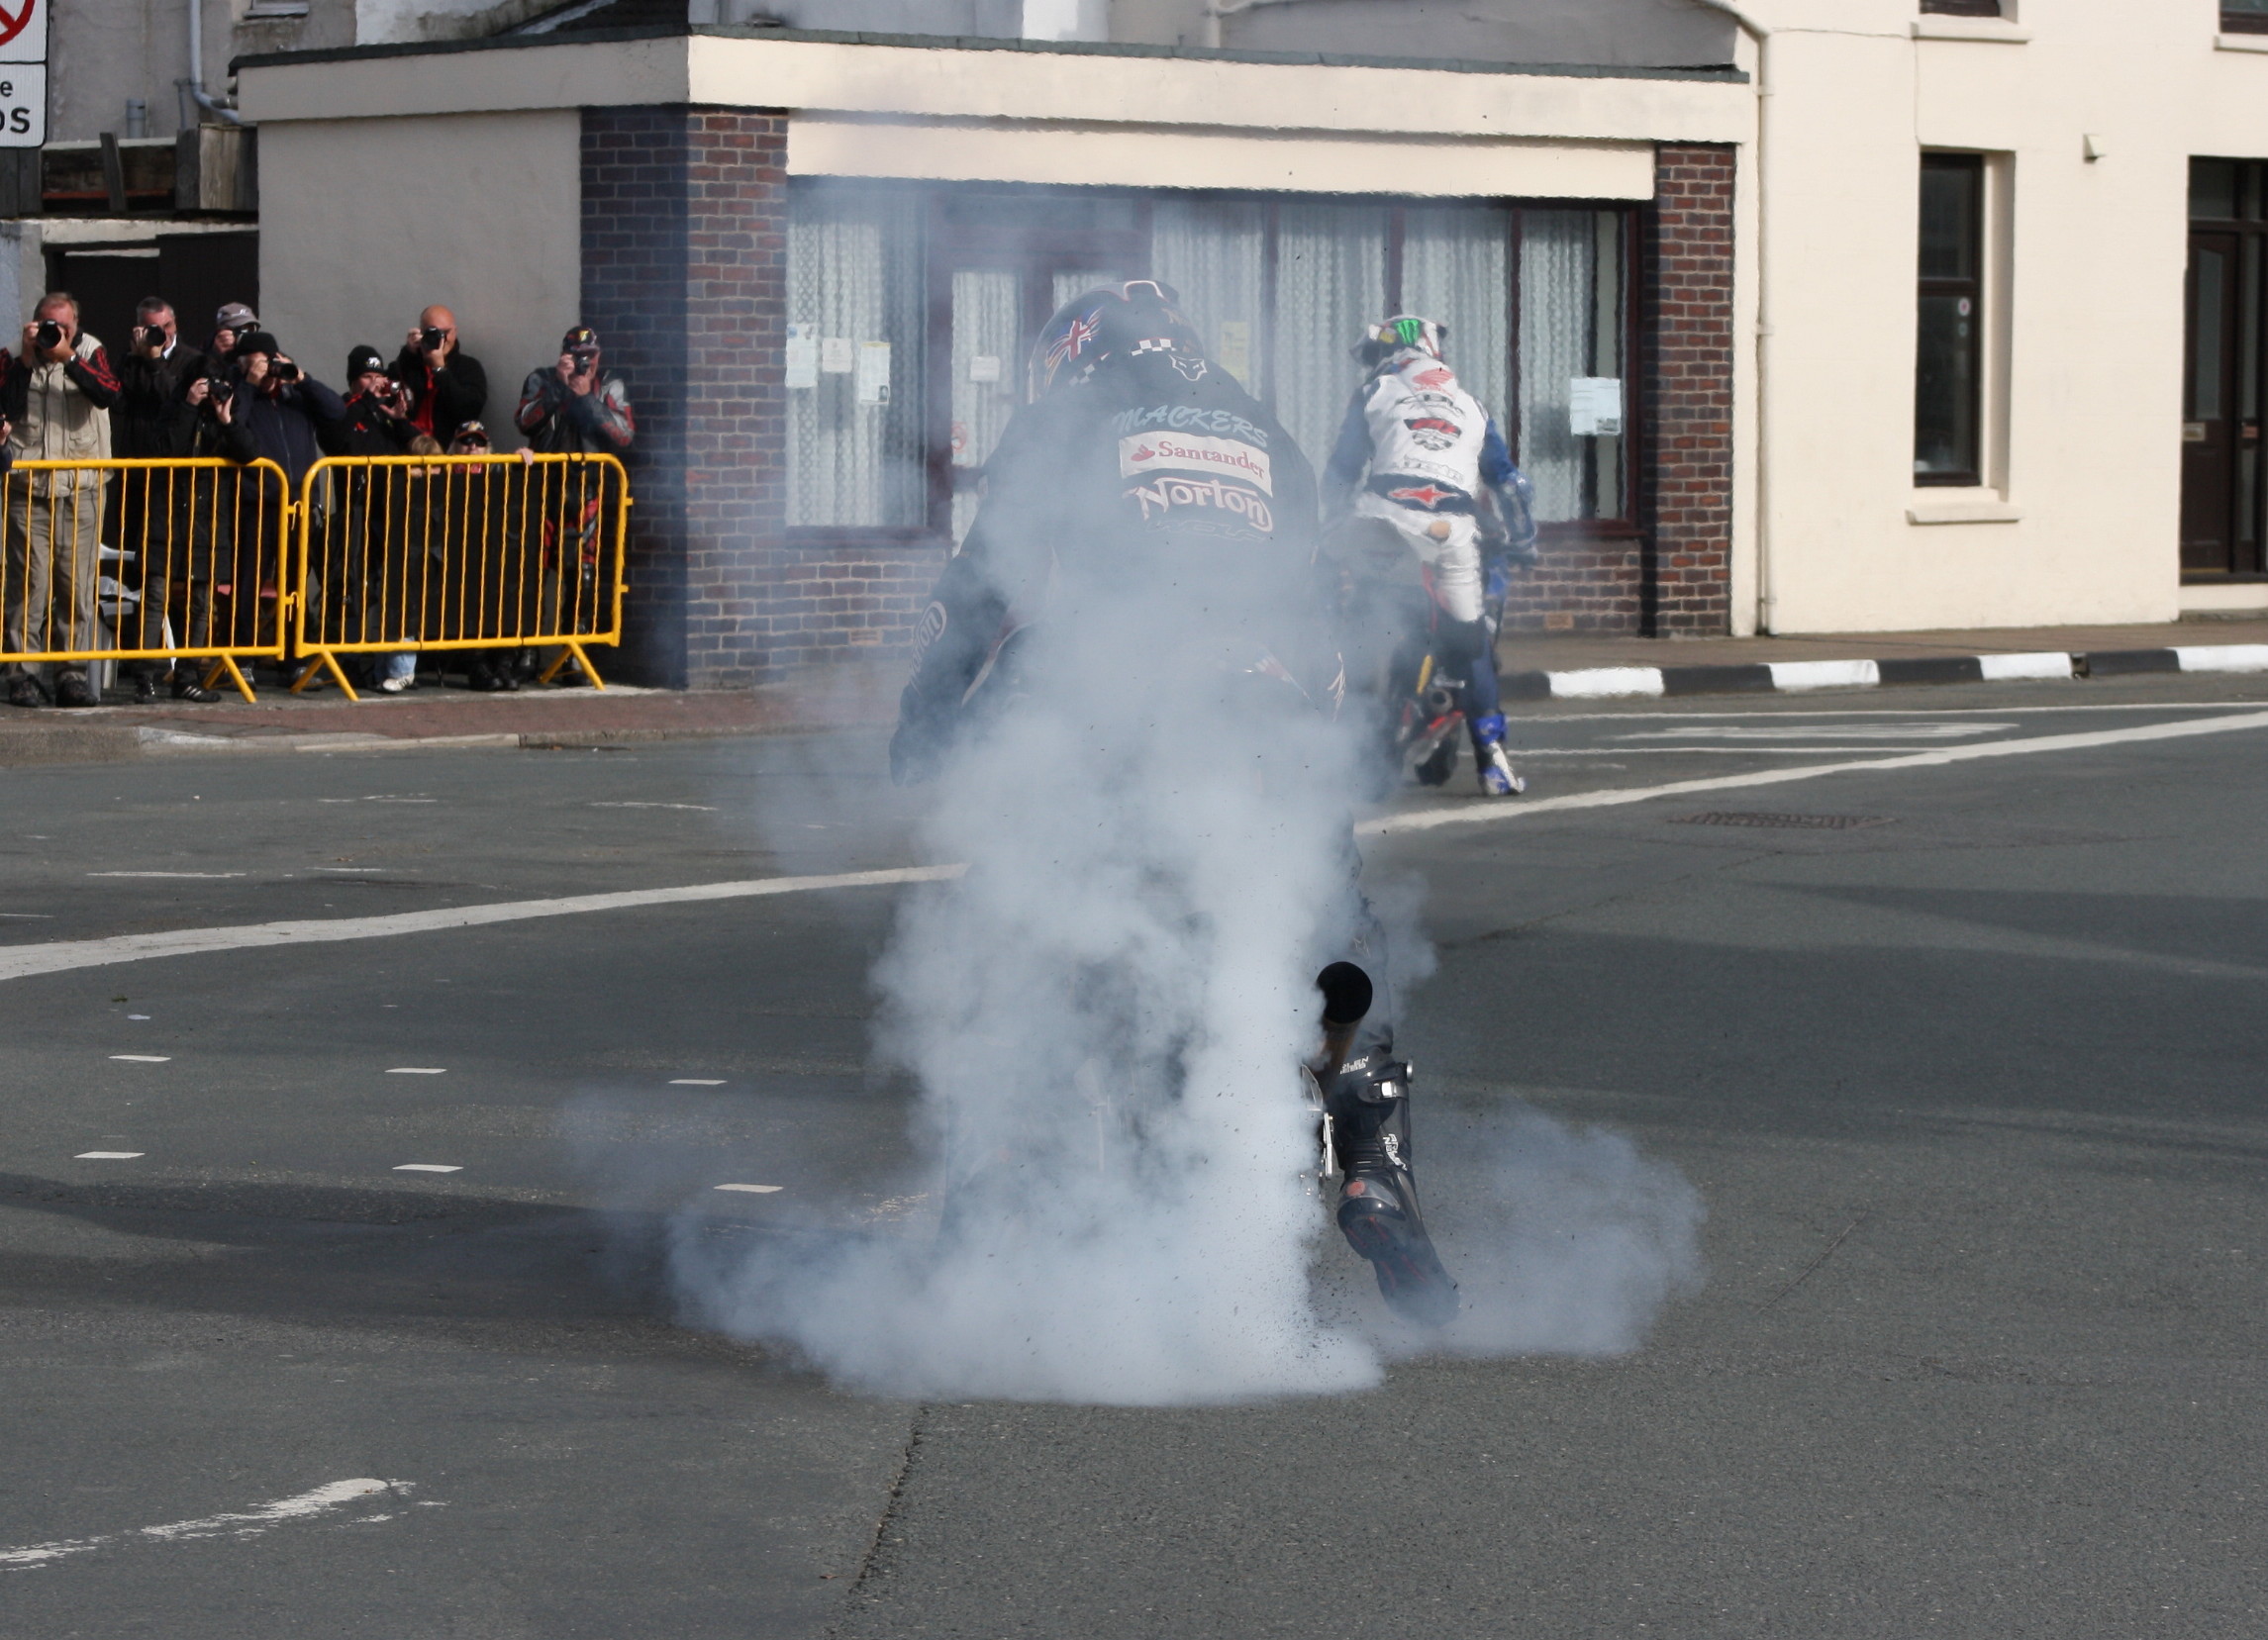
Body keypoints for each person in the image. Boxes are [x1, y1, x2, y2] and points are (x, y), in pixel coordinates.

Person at [888, 280, 1458, 1327]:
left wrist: (922, 719)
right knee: (1337, 930)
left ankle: (988, 1202)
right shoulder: (1264, 430)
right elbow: (1316, 615)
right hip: (1264, 718)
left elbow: (980, 587)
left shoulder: (1063, 417)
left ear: (1072, 353)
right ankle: (1376, 1172)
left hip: (1110, 707)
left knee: (1008, 930)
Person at [1323, 315, 1539, 798]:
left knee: (1355, 613)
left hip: (1382, 521)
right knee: (1471, 643)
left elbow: (1341, 472)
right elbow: (1512, 486)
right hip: (1450, 529)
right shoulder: (1472, 406)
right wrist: (1524, 542)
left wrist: (1332, 525)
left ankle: (1342, 738)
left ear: (1391, 353)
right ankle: (1493, 764)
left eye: (1377, 355)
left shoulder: (1374, 392)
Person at [2, 292, 120, 709]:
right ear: (35, 322)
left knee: (76, 585)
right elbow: (6, 407)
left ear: (76, 326)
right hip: (28, 488)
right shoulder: (13, 356)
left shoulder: (91, 352)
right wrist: (26, 360)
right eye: (49, 325)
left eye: (64, 327)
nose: (56, 333)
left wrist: (68, 356)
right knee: (27, 586)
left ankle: (71, 674)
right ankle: (22, 674)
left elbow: (108, 393)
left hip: (81, 486)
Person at [225, 331, 345, 654]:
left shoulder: (295, 396)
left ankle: (293, 656)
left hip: (298, 503)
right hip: (257, 503)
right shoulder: (237, 393)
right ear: (243, 364)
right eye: (259, 364)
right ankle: (244, 655)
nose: (268, 373)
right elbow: (232, 426)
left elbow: (336, 410)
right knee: (249, 583)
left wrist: (303, 379)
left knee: (294, 584)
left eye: (270, 364)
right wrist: (249, 384)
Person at [114, 297, 210, 702]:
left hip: (185, 484)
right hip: (142, 479)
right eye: (151, 329)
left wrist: (154, 361)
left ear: (174, 325)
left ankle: (186, 672)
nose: (159, 335)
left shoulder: (191, 361)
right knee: (149, 582)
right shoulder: (129, 361)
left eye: (165, 328)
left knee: (191, 585)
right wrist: (137, 359)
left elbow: (177, 402)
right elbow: (117, 402)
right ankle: (143, 671)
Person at [147, 367, 259, 702]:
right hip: (168, 517)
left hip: (209, 521)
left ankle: (188, 675)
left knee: (201, 603)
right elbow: (168, 450)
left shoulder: (224, 418)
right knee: (155, 597)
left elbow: (249, 454)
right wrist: (188, 406)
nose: (212, 392)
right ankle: (143, 676)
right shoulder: (174, 410)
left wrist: (226, 418)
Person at [515, 325, 634, 455]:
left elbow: (625, 436)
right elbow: (524, 424)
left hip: (593, 467)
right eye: (578, 355)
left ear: (598, 356)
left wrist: (587, 399)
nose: (585, 362)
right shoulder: (541, 379)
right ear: (564, 356)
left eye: (591, 355)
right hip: (549, 465)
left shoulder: (610, 384)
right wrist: (558, 387)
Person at [390, 305, 487, 443]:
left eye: (446, 332)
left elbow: (470, 411)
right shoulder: (407, 364)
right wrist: (408, 356)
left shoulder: (468, 367)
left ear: (455, 332)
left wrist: (440, 370)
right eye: (434, 333)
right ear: (421, 333)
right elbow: (388, 399)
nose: (442, 339)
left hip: (449, 451)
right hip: (408, 449)